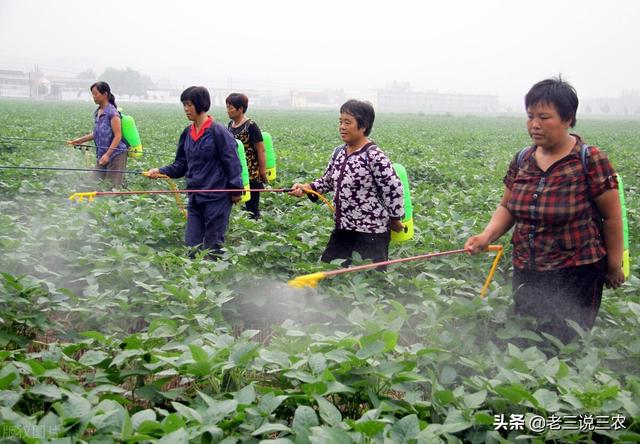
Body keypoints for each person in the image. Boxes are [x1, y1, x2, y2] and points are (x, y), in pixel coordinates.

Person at [465, 77, 624, 343]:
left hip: (575, 272)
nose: (534, 124)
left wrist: (614, 265)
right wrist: (486, 236)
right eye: (530, 116)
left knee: (565, 345)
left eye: (544, 117)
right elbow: (507, 207)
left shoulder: (590, 159)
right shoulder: (523, 159)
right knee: (527, 338)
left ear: (568, 119)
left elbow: (612, 217)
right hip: (528, 267)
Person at [290, 99, 405, 266]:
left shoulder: (374, 156)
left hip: (370, 233)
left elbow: (393, 189)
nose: (342, 127)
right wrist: (307, 188)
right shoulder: (339, 152)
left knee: (371, 280)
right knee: (329, 271)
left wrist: (395, 219)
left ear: (363, 126)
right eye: (340, 121)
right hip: (343, 228)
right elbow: (328, 181)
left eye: (348, 122)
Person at [147, 86, 243, 259]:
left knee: (213, 246)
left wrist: (236, 190)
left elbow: (233, 163)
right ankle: (193, 281)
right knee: (192, 245)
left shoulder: (218, 132)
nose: (186, 109)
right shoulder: (187, 133)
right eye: (184, 104)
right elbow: (181, 165)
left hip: (217, 197)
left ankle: (213, 279)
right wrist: (160, 171)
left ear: (201, 104)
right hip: (195, 197)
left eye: (189, 104)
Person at [68, 81, 128, 187]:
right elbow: (96, 133)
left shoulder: (112, 113)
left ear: (105, 94)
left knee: (112, 187)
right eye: (92, 94)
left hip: (116, 155)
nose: (94, 97)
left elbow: (118, 135)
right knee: (93, 183)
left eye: (96, 94)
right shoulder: (98, 112)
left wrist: (108, 155)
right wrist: (79, 140)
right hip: (102, 154)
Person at [226, 93, 268, 219]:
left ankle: (255, 229)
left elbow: (261, 150)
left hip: (251, 173)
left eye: (230, 107)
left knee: (252, 207)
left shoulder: (251, 126)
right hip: (235, 172)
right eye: (227, 107)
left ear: (240, 109)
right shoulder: (230, 125)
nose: (228, 110)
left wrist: (262, 172)